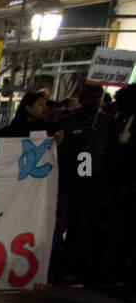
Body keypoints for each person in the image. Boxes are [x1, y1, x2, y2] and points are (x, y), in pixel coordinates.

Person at [53, 84, 111, 286]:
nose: (95, 102)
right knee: (60, 225)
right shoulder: (68, 122)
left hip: (92, 184)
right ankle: (53, 268)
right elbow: (57, 151)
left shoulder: (106, 123)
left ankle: (71, 269)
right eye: (91, 97)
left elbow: (109, 152)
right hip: (70, 181)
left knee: (81, 228)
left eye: (99, 97)